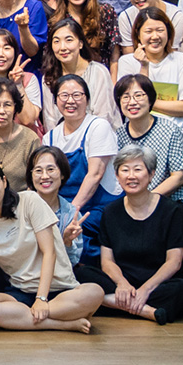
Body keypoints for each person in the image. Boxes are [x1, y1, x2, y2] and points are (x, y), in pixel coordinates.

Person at [0, 158, 104, 332]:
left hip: (60, 290)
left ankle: (23, 319)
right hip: (22, 293)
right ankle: (63, 324)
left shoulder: (29, 200)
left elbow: (49, 252)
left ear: (4, 181)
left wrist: (41, 299)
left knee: (94, 292)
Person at [76, 147, 183, 324]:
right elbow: (107, 261)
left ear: (151, 174)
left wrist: (145, 290)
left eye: (138, 169)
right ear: (117, 176)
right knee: (80, 274)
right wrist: (122, 284)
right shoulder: (110, 211)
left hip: (158, 284)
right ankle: (147, 311)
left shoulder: (171, 211)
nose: (131, 176)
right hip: (124, 282)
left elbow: (174, 262)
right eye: (125, 170)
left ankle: (113, 303)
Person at [44, 73, 121, 258]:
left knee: (76, 234)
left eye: (77, 95)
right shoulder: (50, 138)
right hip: (66, 206)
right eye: (64, 95)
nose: (70, 101)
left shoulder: (98, 126)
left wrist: (69, 214)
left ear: (87, 99)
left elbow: (95, 175)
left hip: (101, 205)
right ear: (56, 101)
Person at [113, 74, 183, 216]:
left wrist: (146, 199)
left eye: (138, 95)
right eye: (125, 97)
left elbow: (179, 177)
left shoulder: (170, 130)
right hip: (138, 202)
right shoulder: (119, 135)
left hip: (177, 201)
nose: (132, 102)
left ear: (151, 100)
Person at [115, 8, 183, 137]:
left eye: (160, 30)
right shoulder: (127, 62)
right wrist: (144, 66)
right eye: (148, 31)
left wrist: (146, 103)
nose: (155, 36)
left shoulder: (181, 60)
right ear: (138, 35)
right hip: (139, 135)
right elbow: (130, 106)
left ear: (168, 32)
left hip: (176, 135)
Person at [41, 18, 119, 131]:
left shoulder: (98, 72)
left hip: (98, 135)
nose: (62, 47)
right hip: (62, 138)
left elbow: (104, 116)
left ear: (80, 44)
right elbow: (50, 119)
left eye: (69, 40)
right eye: (56, 41)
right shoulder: (49, 77)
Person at [53, 0, 121, 74]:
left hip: (101, 76)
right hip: (71, 79)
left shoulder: (105, 12)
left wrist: (112, 83)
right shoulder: (57, 20)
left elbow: (114, 56)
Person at [25, 145, 84, 264]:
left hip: (59, 273)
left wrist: (67, 242)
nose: (45, 176)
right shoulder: (21, 207)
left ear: (62, 174)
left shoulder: (71, 214)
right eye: (38, 171)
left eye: (51, 169)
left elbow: (72, 262)